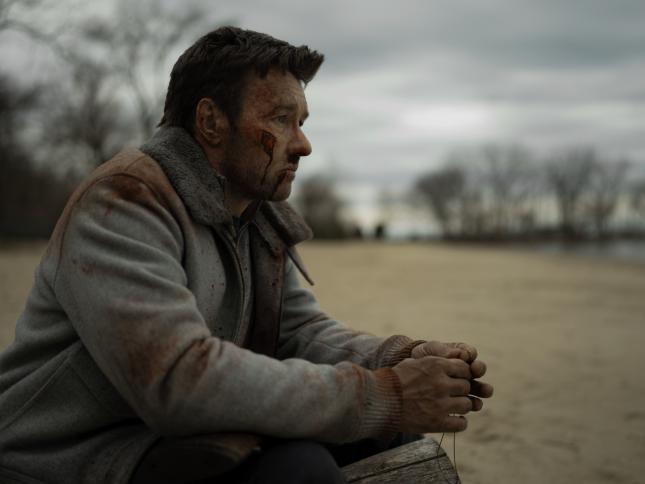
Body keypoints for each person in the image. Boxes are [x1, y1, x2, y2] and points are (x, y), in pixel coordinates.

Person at [0, 26, 493, 484]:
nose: (303, 144)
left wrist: (399, 359)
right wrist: (388, 393)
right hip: (68, 453)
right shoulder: (124, 201)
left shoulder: (254, 213)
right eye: (281, 119)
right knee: (300, 469)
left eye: (301, 122)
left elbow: (296, 332)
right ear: (211, 121)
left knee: (395, 438)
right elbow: (178, 381)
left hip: (168, 434)